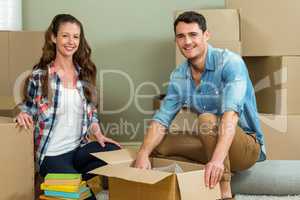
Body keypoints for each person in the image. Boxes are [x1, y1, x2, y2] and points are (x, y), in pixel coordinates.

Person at [134, 11, 266, 200]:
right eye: (181, 36)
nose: (187, 42)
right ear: (176, 40)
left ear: (206, 35)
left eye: (193, 34)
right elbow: (162, 119)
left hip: (245, 146)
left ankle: (224, 191)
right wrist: (143, 153)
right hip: (210, 140)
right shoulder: (179, 76)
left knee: (206, 119)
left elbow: (230, 116)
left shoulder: (230, 62)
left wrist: (218, 161)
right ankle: (196, 175)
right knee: (155, 145)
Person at [16, 14, 120, 200]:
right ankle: (64, 183)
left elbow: (91, 112)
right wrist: (22, 113)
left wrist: (97, 132)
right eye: (65, 36)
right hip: (52, 155)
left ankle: (69, 182)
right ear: (54, 38)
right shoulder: (40, 76)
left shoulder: (84, 74)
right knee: (86, 198)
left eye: (76, 36)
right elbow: (29, 108)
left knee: (115, 151)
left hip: (77, 150)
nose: (71, 41)